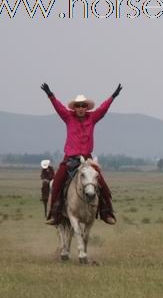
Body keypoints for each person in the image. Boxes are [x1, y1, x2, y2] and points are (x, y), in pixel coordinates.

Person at [41, 82, 123, 225]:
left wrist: (113, 97)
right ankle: (54, 214)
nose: (80, 108)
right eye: (78, 106)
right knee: (57, 183)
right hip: (70, 158)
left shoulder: (92, 118)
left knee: (102, 185)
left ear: (86, 108)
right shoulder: (68, 117)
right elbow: (58, 107)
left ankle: (106, 212)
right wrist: (50, 95)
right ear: (74, 108)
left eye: (83, 106)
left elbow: (103, 108)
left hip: (87, 158)